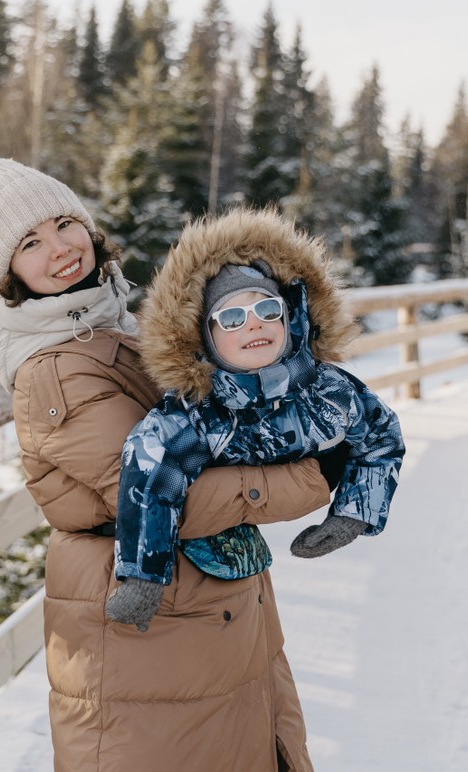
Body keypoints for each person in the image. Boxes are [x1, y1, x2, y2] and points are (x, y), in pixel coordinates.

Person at [0, 158, 335, 771]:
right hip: (153, 634)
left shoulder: (120, 329)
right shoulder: (55, 369)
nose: (59, 249)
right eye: (30, 243)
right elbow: (158, 496)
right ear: (8, 273)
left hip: (207, 615)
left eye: (65, 225)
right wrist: (312, 476)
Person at [104, 208, 405, 632]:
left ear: (290, 318)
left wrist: (352, 515)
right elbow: (150, 476)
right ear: (205, 337)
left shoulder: (330, 392)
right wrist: (144, 576)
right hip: (203, 565)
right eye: (231, 317)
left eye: (266, 309)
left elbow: (380, 437)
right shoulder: (196, 415)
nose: (253, 325)